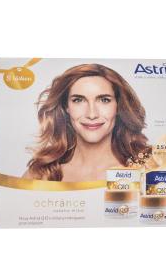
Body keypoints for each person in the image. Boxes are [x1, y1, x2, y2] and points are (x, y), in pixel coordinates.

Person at [22, 63, 152, 181]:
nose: (92, 114)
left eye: (104, 100)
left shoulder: (147, 170)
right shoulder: (40, 175)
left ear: (118, 106)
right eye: (78, 100)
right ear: (66, 106)